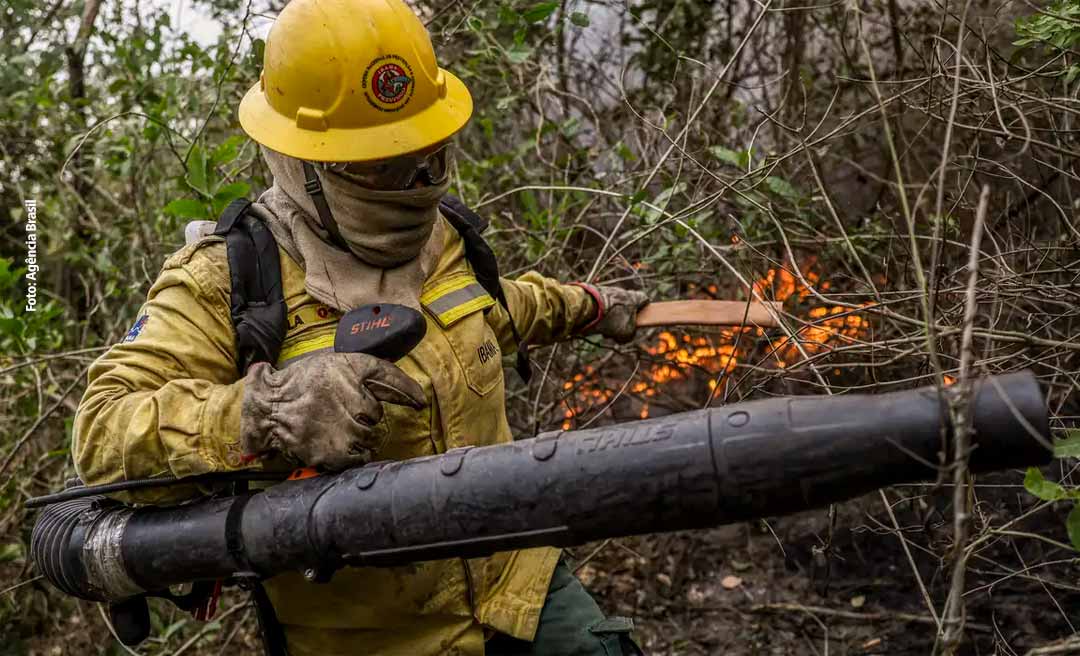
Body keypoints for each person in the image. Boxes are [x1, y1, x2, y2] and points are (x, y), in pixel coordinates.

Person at [72, 0, 648, 654]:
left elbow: (498, 309)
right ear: (305, 162)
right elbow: (102, 431)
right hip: (372, 638)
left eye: (426, 155)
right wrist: (263, 414)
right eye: (380, 165)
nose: (415, 182)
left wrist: (595, 306)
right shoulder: (226, 279)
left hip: (518, 584)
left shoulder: (445, 238)